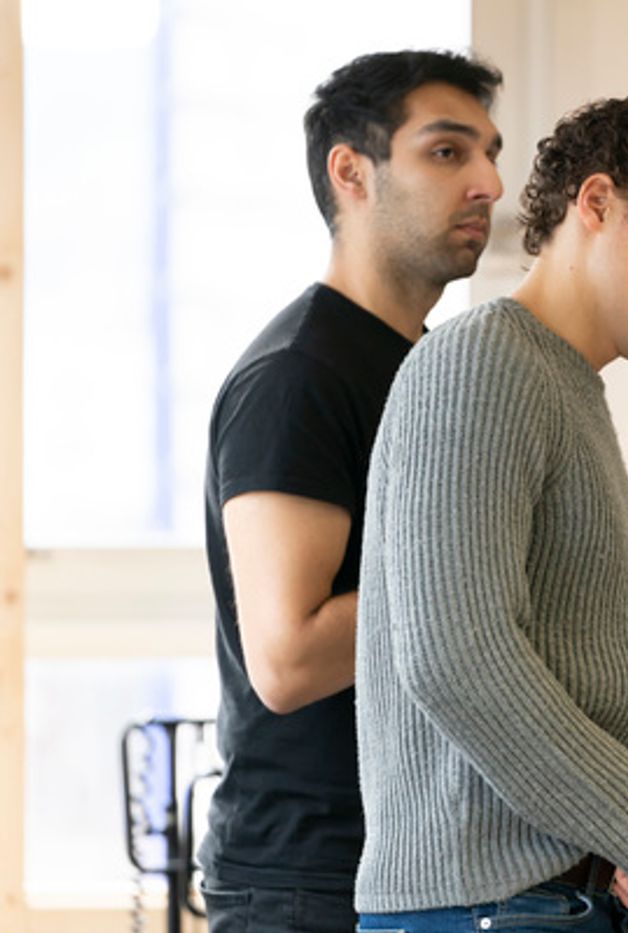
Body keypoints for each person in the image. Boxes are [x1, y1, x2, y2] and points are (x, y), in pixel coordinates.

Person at [352, 95, 628, 933]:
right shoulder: (484, 359)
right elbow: (456, 654)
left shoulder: (560, 381)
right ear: (597, 204)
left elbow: (584, 680)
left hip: (538, 904)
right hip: (489, 911)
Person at [200, 50, 504, 931]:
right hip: (308, 883)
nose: (487, 180)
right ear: (351, 171)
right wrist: (488, 578)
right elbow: (288, 659)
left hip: (411, 863)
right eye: (447, 153)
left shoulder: (419, 368)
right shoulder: (299, 375)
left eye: (490, 152)